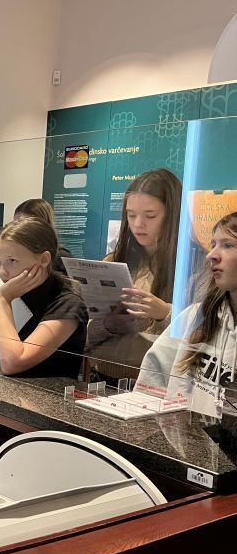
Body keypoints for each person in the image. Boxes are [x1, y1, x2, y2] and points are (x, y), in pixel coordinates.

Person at [86, 169, 181, 384]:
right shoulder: (114, 261)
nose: (138, 224)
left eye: (150, 215)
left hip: (155, 385)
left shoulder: (189, 267)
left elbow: (203, 336)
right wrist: (109, 325)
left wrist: (165, 312)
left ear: (173, 215)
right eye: (131, 215)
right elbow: (85, 332)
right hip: (101, 377)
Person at [0, 217, 87, 379]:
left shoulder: (68, 304)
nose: (2, 272)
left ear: (44, 259)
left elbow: (12, 363)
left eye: (12, 261)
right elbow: (5, 353)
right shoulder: (15, 292)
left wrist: (2, 299)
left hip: (47, 393)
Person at [137, 212, 237, 403]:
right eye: (213, 245)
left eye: (227, 245)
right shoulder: (196, 316)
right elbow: (152, 377)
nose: (212, 255)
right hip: (178, 423)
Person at [13, 198, 71, 274]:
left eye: (25, 224)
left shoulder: (61, 256)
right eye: (15, 224)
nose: (18, 229)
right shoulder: (15, 252)